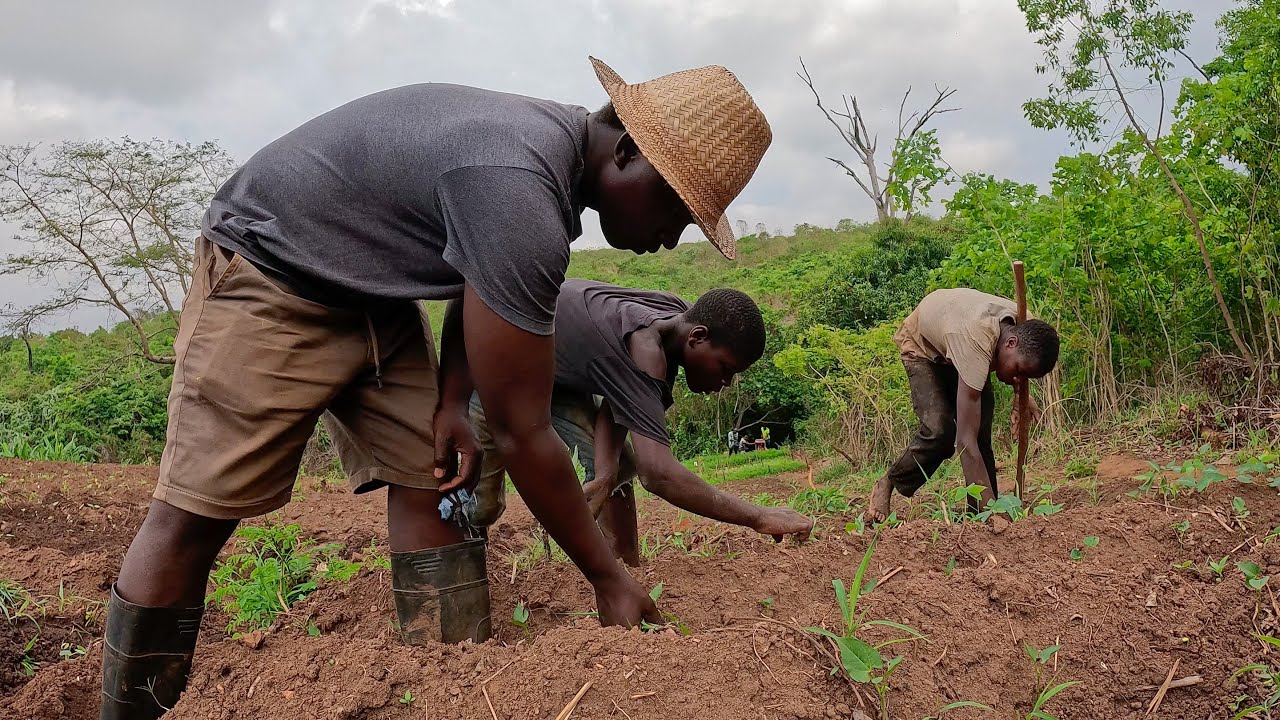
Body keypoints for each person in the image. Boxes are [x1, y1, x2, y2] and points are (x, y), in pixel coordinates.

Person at [100, 58, 772, 720]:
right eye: (676, 208)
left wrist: (451, 402)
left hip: (377, 293)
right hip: (271, 273)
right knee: (193, 519)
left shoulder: (539, 170)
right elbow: (522, 432)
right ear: (626, 152)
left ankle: (447, 689)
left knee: (434, 480)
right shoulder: (519, 184)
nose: (672, 236)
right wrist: (609, 578)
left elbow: (472, 281)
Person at [445, 281, 811, 565]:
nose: (725, 382)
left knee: (619, 467)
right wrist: (758, 516)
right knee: (481, 501)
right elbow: (659, 475)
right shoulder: (646, 348)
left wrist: (605, 473)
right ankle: (459, 552)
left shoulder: (677, 318)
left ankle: (627, 567)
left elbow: (621, 399)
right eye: (726, 368)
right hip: (499, 362)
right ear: (698, 338)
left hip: (558, 372)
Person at [867, 288, 1060, 523]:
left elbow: (1022, 362)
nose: (1019, 379)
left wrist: (1021, 396)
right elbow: (965, 441)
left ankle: (977, 512)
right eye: (1019, 371)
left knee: (981, 433)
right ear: (1010, 342)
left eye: (1026, 377)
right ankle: (889, 482)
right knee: (941, 431)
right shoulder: (974, 342)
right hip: (923, 347)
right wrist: (993, 517)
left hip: (959, 339)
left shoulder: (1026, 325)